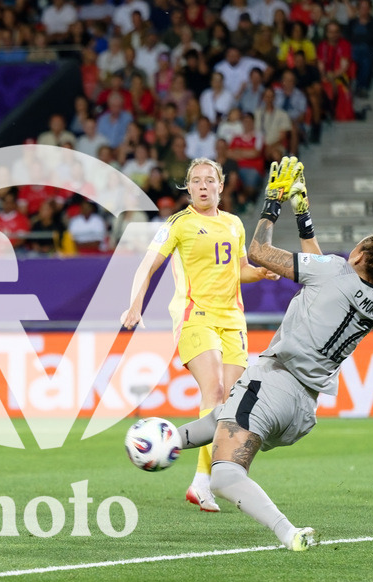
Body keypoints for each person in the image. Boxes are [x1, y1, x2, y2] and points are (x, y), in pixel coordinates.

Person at [170, 158, 373, 548]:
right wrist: (304, 214)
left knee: (225, 476)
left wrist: (274, 201)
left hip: (274, 382)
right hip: (301, 410)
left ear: (360, 255)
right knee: (225, 417)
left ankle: (287, 532)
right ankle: (166, 441)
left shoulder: (332, 271)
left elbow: (259, 251)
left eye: (359, 244)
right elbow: (322, 270)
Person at [121, 157, 307, 513]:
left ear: (221, 186)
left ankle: (201, 480)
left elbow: (239, 271)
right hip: (195, 317)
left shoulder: (234, 224)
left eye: (210, 180)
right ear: (187, 188)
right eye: (196, 180)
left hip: (233, 320)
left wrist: (261, 273)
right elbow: (148, 265)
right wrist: (135, 304)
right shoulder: (179, 223)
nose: (203, 185)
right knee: (215, 391)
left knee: (229, 406)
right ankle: (205, 481)